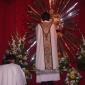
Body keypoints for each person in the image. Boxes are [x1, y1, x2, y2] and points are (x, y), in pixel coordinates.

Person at [36, 12, 60, 85]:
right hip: (51, 54)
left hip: (42, 53)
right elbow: (55, 39)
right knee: (50, 81)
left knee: (42, 68)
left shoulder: (38, 26)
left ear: (42, 18)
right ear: (49, 18)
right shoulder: (53, 26)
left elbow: (37, 38)